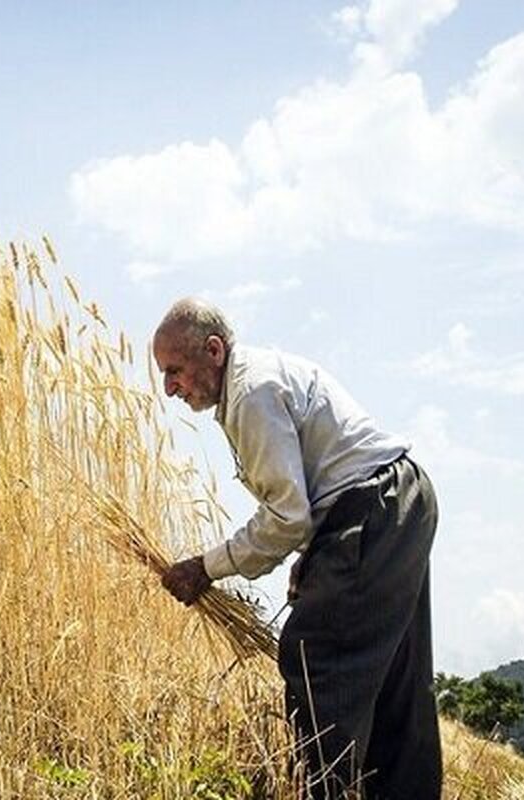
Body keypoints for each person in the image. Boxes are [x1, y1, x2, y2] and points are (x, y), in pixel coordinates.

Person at [154, 298, 441, 800]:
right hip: (397, 502)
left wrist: (206, 567)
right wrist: (314, 558)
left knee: (316, 659)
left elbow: (287, 517)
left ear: (214, 351)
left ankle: (326, 793)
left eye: (174, 370)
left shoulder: (251, 394)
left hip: (373, 508)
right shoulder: (254, 382)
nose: (169, 387)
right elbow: (309, 501)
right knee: (396, 677)